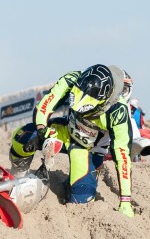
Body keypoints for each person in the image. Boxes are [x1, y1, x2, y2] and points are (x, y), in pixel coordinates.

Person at [9, 64, 135, 217]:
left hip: (88, 151)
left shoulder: (118, 111)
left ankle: (70, 187)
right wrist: (43, 130)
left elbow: (122, 157)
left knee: (80, 204)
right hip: (65, 132)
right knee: (24, 137)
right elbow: (45, 105)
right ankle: (17, 175)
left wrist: (125, 201)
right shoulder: (72, 79)